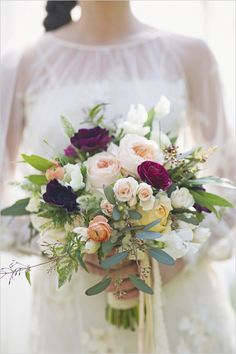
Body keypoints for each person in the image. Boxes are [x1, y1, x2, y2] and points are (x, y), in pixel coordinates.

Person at [1, 1, 235, 353]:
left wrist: (179, 257)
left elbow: (227, 182)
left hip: (173, 292)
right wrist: (72, 243)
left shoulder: (190, 54)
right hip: (73, 306)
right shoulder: (20, 64)